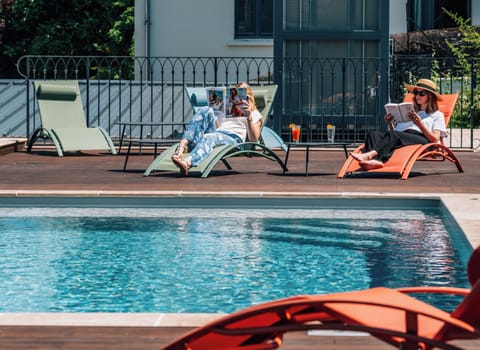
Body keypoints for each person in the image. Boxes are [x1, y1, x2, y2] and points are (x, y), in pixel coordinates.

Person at [351, 78, 447, 170]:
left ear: (430, 96)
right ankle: (372, 162)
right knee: (373, 135)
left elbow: (435, 139)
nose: (418, 96)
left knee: (395, 135)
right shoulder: (411, 111)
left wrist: (420, 124)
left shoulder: (437, 115)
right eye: (416, 92)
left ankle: (374, 157)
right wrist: (390, 123)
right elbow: (395, 135)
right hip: (403, 136)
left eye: (422, 93)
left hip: (422, 140)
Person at [171, 82, 263, 176]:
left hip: (233, 138)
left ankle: (188, 162)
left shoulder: (254, 114)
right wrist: (215, 109)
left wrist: (249, 117)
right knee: (205, 110)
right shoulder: (226, 109)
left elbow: (254, 139)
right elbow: (217, 127)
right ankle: (182, 146)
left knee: (209, 137)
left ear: (248, 98)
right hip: (218, 133)